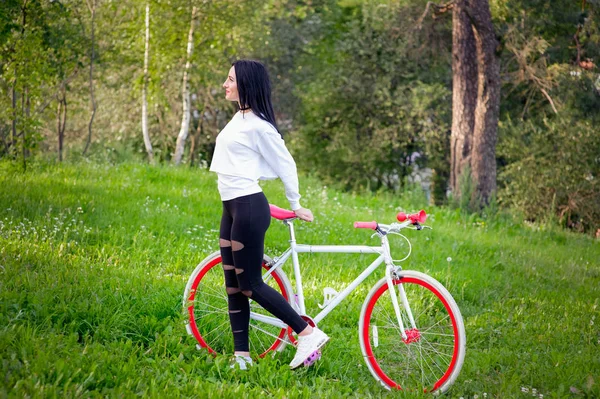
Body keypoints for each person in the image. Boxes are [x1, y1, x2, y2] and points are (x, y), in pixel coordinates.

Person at [209, 59, 329, 370]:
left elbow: (285, 163)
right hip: (231, 207)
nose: (225, 84)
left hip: (249, 207)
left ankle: (306, 332)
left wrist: (296, 201)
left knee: (250, 284)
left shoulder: (259, 126)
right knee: (234, 286)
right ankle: (242, 358)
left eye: (230, 79)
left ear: (246, 84)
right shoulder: (240, 117)